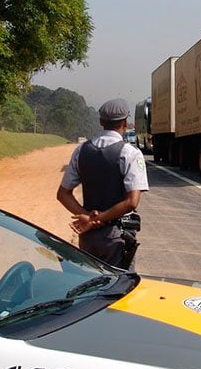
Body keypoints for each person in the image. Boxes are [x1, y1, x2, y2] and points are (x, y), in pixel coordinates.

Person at [57, 98, 149, 268]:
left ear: (101, 122)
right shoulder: (130, 153)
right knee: (119, 287)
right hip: (116, 236)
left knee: (91, 284)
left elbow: (63, 194)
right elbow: (131, 201)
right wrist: (100, 219)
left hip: (88, 236)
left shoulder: (82, 150)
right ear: (125, 122)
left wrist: (87, 217)